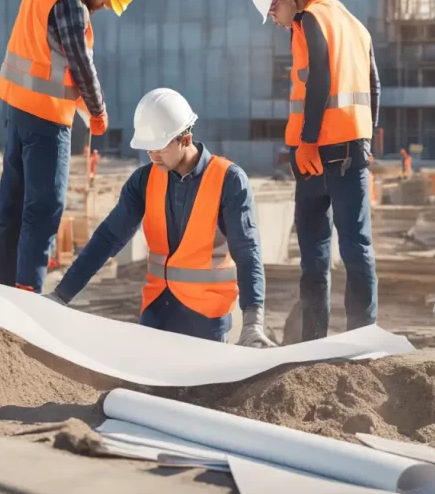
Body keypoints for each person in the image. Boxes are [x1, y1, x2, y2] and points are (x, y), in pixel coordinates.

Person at [43, 88, 276, 348]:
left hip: (207, 317)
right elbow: (108, 238)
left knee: (199, 388)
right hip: (157, 309)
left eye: (159, 148)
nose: (151, 156)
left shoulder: (229, 181)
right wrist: (61, 296)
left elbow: (247, 252)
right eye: (147, 149)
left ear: (185, 139)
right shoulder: (144, 181)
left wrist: (253, 323)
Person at [0, 0, 145, 293]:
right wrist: (98, 112)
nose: (105, 7)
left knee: (12, 210)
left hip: (16, 109)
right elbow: (81, 66)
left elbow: (43, 53)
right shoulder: (72, 5)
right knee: (44, 210)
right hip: (46, 119)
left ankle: (1, 291)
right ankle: (26, 298)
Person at [250, 0, 380, 341]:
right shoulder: (355, 24)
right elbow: (375, 86)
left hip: (317, 153)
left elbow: (321, 76)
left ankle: (313, 340)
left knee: (314, 253)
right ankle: (363, 338)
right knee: (357, 247)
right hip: (352, 150)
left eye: (273, 11)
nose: (274, 21)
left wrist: (306, 140)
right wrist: (367, 139)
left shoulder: (308, 20)